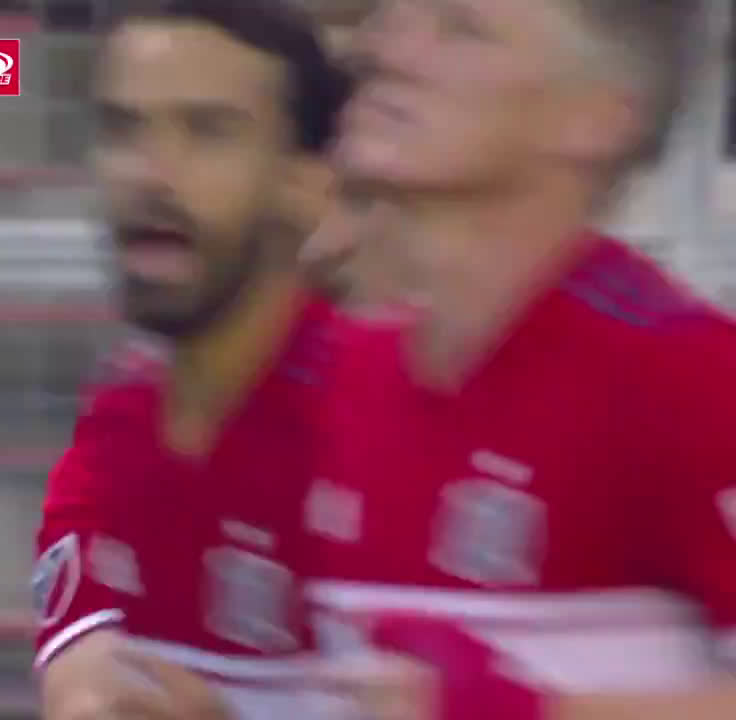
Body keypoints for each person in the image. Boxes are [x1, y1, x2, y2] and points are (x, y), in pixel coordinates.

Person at [302, 0, 736, 718]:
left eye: (463, 29)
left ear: (596, 118)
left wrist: (535, 712)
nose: (387, 51)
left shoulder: (690, 376)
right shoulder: (328, 375)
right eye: (395, 17)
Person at [30, 1, 350, 718]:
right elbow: (80, 671)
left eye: (208, 131)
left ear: (309, 183)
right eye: (123, 129)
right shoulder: (117, 423)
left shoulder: (378, 427)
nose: (151, 174)